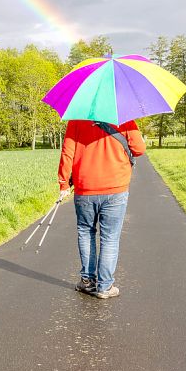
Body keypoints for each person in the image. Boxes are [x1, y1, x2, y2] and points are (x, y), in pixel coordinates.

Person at [58, 119, 145, 299]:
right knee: (110, 238)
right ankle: (105, 287)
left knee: (85, 232)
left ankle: (88, 281)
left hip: (85, 188)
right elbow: (139, 150)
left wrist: (63, 183)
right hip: (116, 188)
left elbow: (67, 152)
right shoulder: (125, 118)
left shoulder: (76, 120)